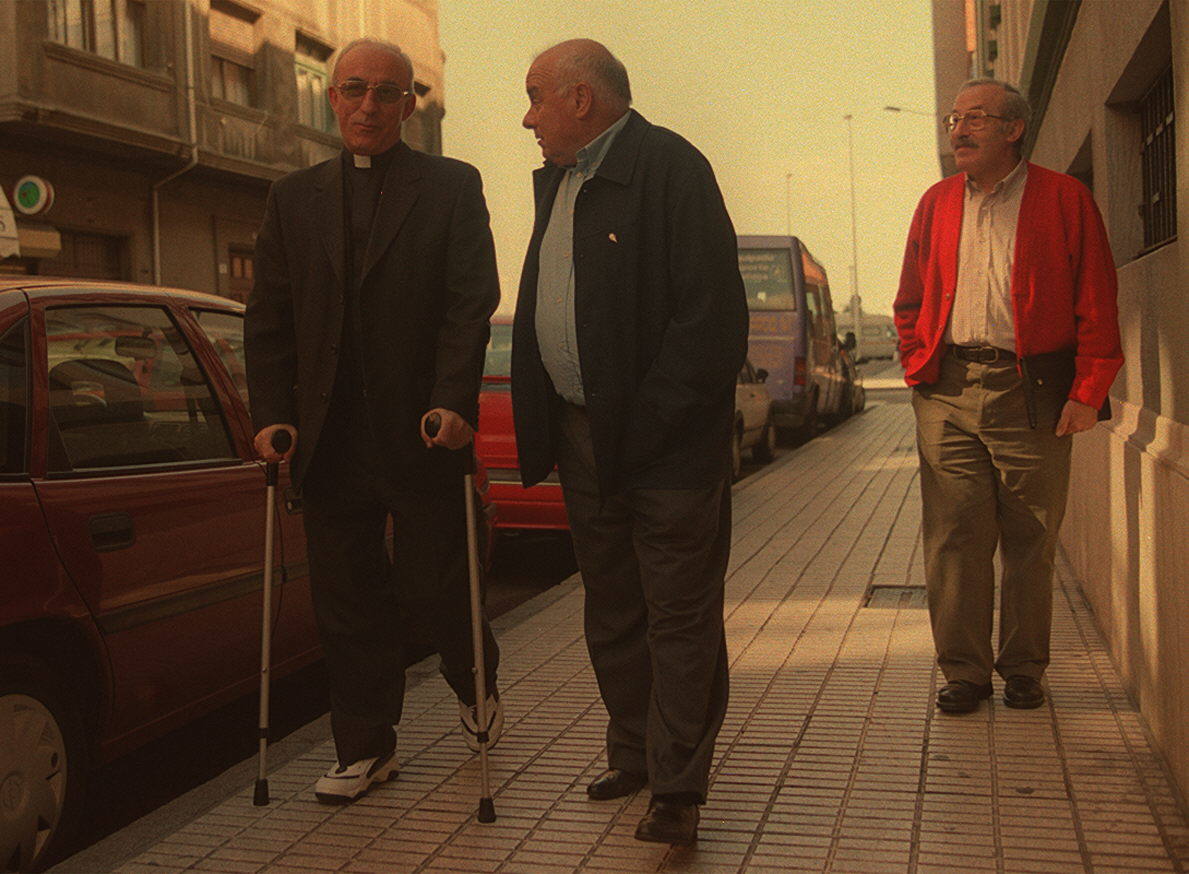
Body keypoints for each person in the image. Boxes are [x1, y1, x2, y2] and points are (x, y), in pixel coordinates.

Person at [245, 38, 502, 804]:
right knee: (348, 600)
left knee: (435, 586)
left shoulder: (451, 186)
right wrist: (270, 416)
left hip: (420, 430)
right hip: (330, 439)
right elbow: (269, 322)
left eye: (384, 92)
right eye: (352, 89)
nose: (366, 105)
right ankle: (365, 747)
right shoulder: (293, 198)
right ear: (330, 98)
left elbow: (468, 303)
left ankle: (473, 676)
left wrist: (454, 401)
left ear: (408, 104)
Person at [511, 39, 748, 845]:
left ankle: (677, 791)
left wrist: (642, 427)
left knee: (677, 618)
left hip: (665, 448)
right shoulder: (563, 182)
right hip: (585, 440)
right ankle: (634, 754)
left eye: (538, 96)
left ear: (582, 100)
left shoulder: (671, 169)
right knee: (613, 609)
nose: (527, 115)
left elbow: (709, 322)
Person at [894, 79, 1122, 715]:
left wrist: (1088, 391)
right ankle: (964, 673)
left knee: (1031, 535)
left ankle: (1024, 667)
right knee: (955, 534)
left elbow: (1097, 301)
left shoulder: (1065, 198)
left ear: (1014, 129)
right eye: (953, 120)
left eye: (975, 119)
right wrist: (918, 364)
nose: (958, 131)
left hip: (1034, 390)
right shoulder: (936, 203)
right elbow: (910, 296)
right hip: (946, 390)